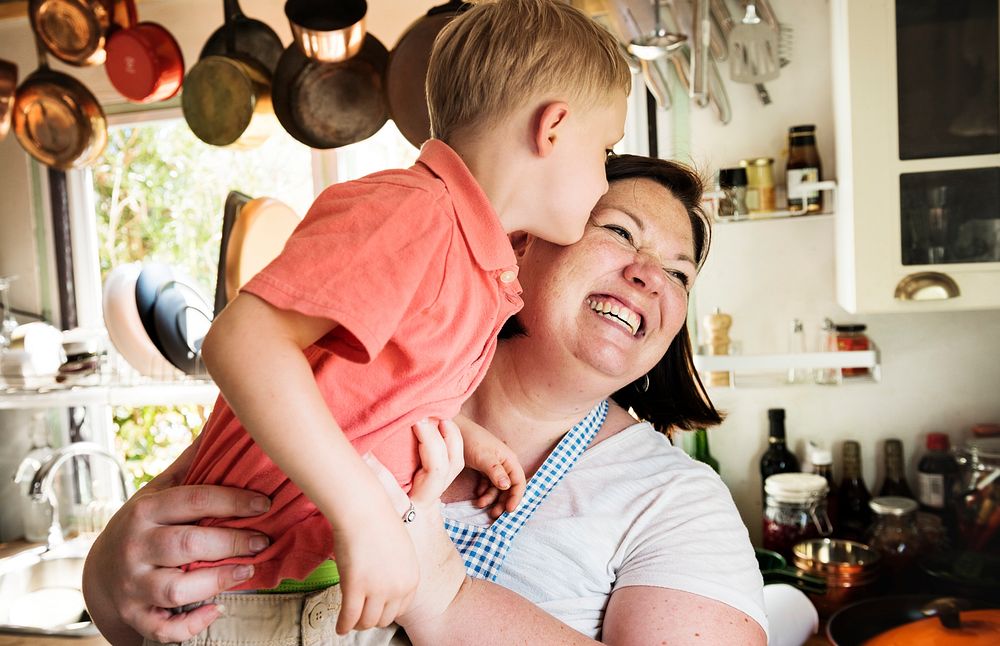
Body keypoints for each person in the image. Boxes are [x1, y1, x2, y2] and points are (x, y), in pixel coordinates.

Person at [83, 154, 768, 645]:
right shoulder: (328, 400)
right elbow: (153, 603)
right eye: (620, 232)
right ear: (521, 242)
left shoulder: (678, 504)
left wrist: (442, 593)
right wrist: (110, 579)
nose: (652, 277)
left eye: (680, 273)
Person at [174, 0, 631, 637]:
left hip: (297, 588)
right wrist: (362, 513)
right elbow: (241, 341)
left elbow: (357, 386)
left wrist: (458, 437)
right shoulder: (416, 214)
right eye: (605, 151)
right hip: (244, 595)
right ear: (552, 129)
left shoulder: (477, 258)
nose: (604, 180)